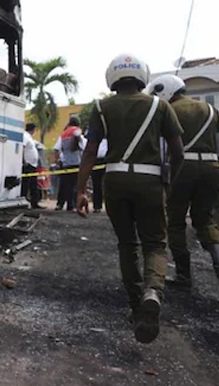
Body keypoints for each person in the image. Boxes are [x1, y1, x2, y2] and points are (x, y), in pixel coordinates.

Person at [76, 53, 184, 344]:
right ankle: (153, 291)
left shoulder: (101, 107)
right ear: (142, 77)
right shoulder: (160, 106)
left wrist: (80, 190)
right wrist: (169, 184)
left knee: (127, 244)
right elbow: (178, 152)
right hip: (150, 182)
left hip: (115, 180)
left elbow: (90, 151)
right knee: (155, 244)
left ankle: (137, 306)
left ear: (112, 77)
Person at [147, 75, 219, 299]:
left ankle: (183, 276)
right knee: (205, 219)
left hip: (182, 168)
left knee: (175, 221)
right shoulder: (210, 109)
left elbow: (163, 146)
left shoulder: (167, 111)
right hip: (211, 168)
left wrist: (161, 173)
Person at [54, 116, 86, 211]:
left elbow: (56, 149)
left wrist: (58, 160)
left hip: (65, 163)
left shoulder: (63, 134)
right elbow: (84, 147)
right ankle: (72, 205)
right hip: (77, 162)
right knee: (75, 185)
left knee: (64, 185)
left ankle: (60, 204)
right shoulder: (77, 131)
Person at [21, 122, 42, 208]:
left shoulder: (29, 137)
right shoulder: (25, 136)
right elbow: (22, 147)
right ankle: (23, 202)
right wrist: (23, 161)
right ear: (33, 130)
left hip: (33, 165)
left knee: (33, 184)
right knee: (26, 184)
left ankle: (34, 203)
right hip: (28, 164)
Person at [91, 138, 108, 213]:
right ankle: (97, 206)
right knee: (96, 185)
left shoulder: (108, 139)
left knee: (108, 185)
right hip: (95, 161)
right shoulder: (94, 140)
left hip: (106, 160)